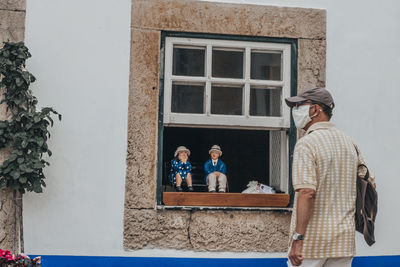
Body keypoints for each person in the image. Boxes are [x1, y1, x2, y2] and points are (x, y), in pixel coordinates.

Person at [285, 87, 374, 267]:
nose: (296, 110)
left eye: (300, 105)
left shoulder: (307, 144)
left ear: (316, 109)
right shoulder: (349, 144)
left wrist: (298, 238)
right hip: (343, 242)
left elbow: (307, 192)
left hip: (311, 245)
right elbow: (367, 183)